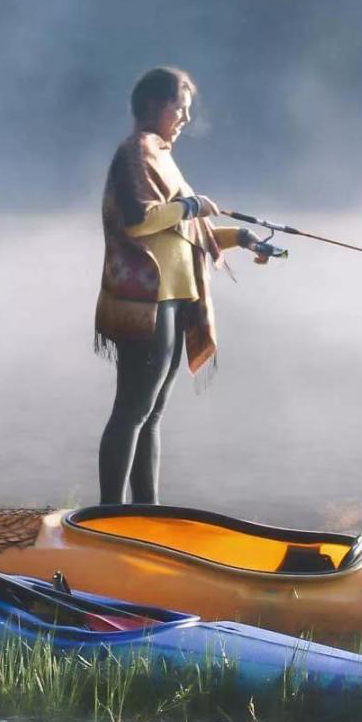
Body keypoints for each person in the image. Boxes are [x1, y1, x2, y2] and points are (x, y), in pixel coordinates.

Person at [94, 65, 273, 510]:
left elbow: (184, 232)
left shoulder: (160, 153)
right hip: (146, 303)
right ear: (156, 106)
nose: (186, 119)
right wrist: (191, 205)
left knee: (151, 416)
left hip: (172, 299)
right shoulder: (136, 152)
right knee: (132, 412)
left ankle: (145, 513)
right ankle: (108, 517)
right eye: (181, 108)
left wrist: (242, 236)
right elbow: (141, 220)